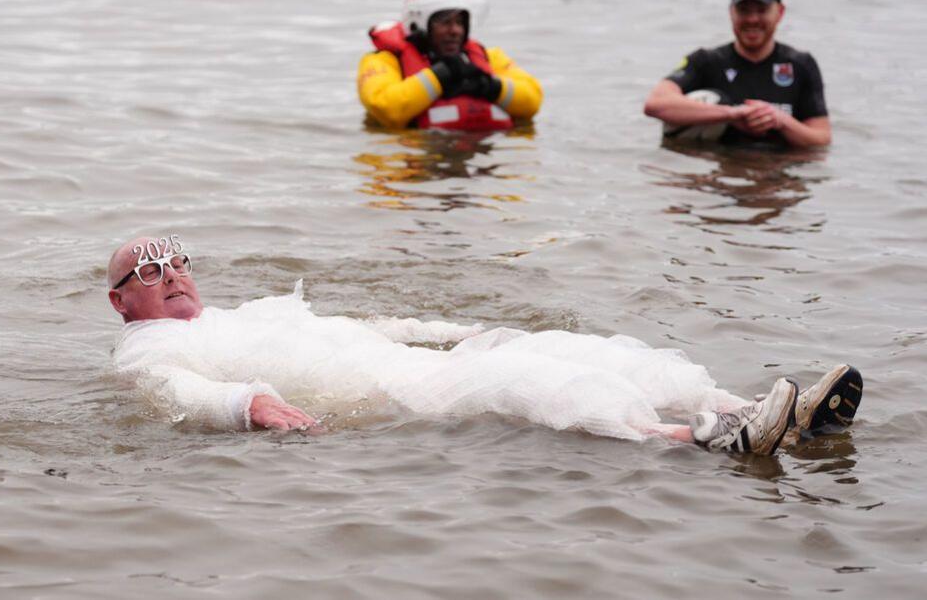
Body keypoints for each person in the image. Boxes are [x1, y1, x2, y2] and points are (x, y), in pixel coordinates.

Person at [107, 235, 862, 456]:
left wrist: (447, 331)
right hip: (392, 396)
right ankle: (702, 444)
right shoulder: (142, 347)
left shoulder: (243, 311)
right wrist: (253, 407)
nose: (169, 272)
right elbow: (176, 395)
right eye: (147, 268)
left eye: (177, 260)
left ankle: (762, 412)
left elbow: (361, 328)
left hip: (407, 362)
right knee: (536, 383)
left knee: (584, 347)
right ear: (121, 301)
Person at [643, 0, 831, 148]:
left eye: (762, 10)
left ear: (780, 12)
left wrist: (780, 121)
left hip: (778, 170)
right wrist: (730, 114)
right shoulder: (707, 61)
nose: (752, 19)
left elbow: (822, 139)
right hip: (722, 170)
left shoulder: (800, 65)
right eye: (743, 10)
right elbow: (655, 104)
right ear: (731, 12)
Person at [358, 0, 543, 131]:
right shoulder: (383, 60)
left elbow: (532, 99)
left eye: (460, 22)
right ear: (418, 23)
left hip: (477, 161)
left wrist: (489, 86)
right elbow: (386, 107)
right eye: (445, 22)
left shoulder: (487, 57)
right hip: (416, 164)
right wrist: (441, 76)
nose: (455, 31)